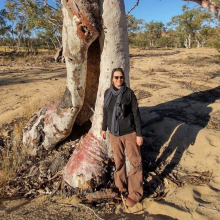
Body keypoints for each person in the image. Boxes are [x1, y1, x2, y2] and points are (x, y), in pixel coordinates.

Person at [101, 67, 143, 207]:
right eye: (116, 77)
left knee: (135, 161)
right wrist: (103, 128)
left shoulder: (129, 94)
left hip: (129, 133)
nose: (119, 80)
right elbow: (106, 112)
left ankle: (136, 193)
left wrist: (139, 134)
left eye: (121, 77)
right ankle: (121, 187)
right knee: (118, 161)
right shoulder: (108, 93)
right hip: (114, 134)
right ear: (112, 79)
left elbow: (136, 115)